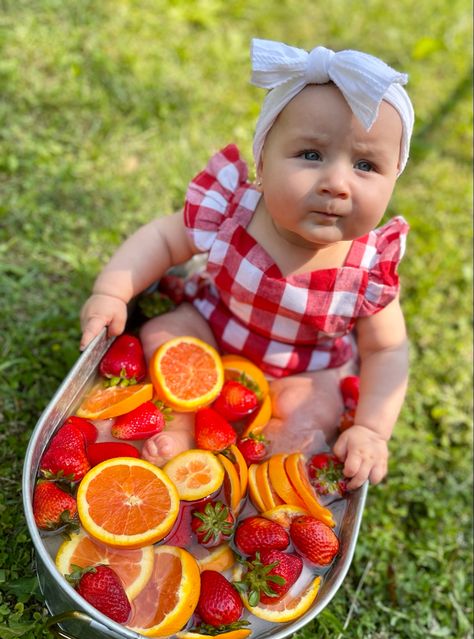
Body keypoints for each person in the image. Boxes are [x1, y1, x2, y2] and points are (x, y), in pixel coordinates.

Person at [80, 38, 415, 490]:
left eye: (365, 165)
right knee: (161, 334)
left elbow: (386, 350)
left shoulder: (366, 268)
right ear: (262, 161)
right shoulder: (232, 213)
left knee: (315, 413)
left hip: (302, 367)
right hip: (213, 326)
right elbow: (162, 238)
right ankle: (179, 422)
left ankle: (260, 468)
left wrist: (372, 429)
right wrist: (112, 292)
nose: (336, 183)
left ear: (394, 176)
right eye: (311, 155)